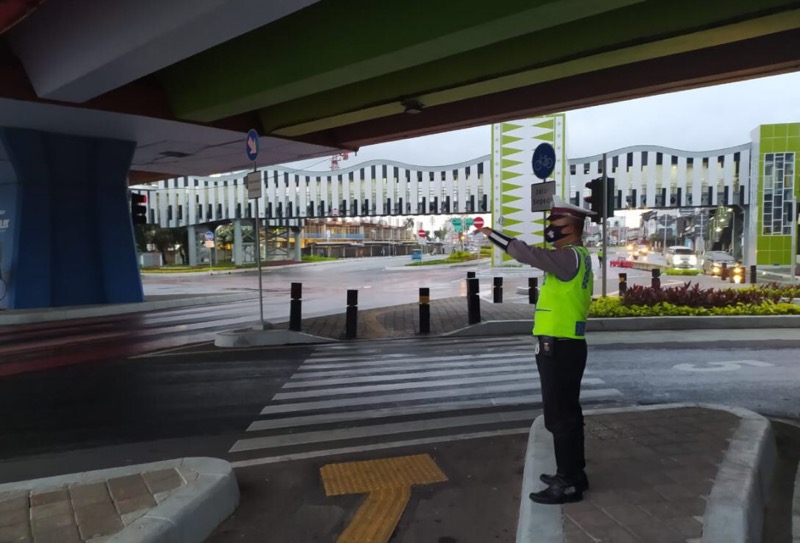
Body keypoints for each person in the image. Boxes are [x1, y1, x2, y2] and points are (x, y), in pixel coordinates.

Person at [477, 195, 594, 505]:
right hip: (564, 345)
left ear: (571, 228)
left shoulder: (570, 257)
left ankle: (568, 482)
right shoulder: (575, 257)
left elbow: (530, 255)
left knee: (559, 417)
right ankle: (573, 473)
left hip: (561, 347)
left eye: (555, 224)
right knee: (568, 414)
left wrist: (495, 236)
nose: (549, 229)